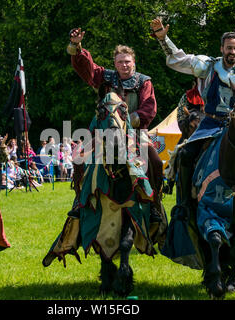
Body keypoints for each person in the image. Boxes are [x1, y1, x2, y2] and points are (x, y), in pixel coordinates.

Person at [151, 18, 235, 219]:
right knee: (186, 153)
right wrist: (163, 39)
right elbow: (179, 59)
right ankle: (185, 204)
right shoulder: (208, 66)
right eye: (229, 48)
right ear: (222, 48)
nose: (233, 52)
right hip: (211, 123)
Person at [67, 27, 163, 222]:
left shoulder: (144, 82)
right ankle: (79, 200)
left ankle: (155, 203)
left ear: (133, 62)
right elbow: (88, 69)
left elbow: (149, 108)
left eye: (127, 61)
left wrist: (125, 122)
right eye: (120, 62)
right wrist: (76, 46)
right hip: (103, 133)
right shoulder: (106, 78)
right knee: (79, 155)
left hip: (135, 132)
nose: (124, 65)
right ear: (115, 63)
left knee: (156, 161)